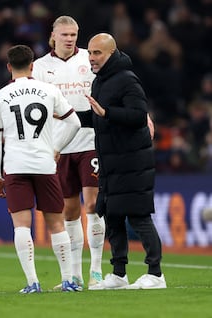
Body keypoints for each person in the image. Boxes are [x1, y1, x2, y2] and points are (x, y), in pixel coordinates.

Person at [0, 44, 82, 293]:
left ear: (9, 67)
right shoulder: (48, 90)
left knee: (21, 225)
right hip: (44, 163)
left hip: (15, 166)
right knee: (56, 224)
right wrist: (57, 147)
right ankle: (69, 281)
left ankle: (32, 283)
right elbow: (74, 122)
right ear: (32, 66)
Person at [85, 33, 166, 289]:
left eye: (97, 53)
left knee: (139, 216)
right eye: (89, 52)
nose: (91, 58)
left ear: (110, 53)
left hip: (132, 160)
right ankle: (118, 274)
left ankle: (156, 273)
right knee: (113, 216)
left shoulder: (127, 79)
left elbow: (138, 115)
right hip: (111, 162)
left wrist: (107, 112)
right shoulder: (100, 82)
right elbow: (98, 117)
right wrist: (66, 116)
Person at [32, 15, 106, 290]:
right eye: (64, 34)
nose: (70, 38)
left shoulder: (91, 59)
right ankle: (74, 274)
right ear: (53, 35)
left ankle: (96, 270)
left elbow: (112, 88)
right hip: (59, 146)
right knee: (70, 211)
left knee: (93, 205)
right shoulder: (40, 67)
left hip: (90, 141)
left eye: (74, 34)